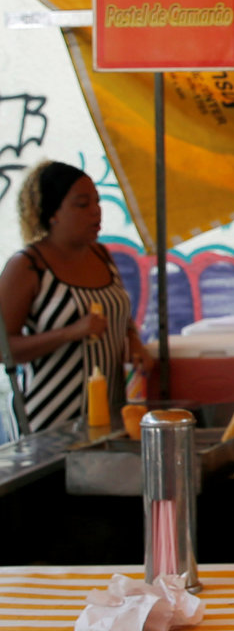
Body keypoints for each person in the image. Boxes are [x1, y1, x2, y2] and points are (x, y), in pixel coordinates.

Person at [1, 160, 149, 434]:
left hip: (111, 415)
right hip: (52, 422)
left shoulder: (101, 255)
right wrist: (70, 333)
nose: (95, 211)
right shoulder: (28, 266)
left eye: (97, 202)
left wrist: (135, 342)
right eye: (82, 204)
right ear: (52, 213)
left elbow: (122, 319)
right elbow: (3, 348)